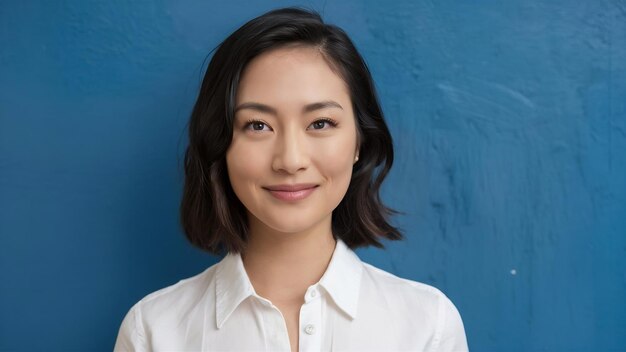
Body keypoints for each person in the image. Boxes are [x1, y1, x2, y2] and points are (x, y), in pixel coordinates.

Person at [114, 6, 468, 352]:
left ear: (359, 141)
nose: (290, 160)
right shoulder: (154, 331)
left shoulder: (427, 326)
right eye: (257, 125)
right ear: (220, 144)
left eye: (320, 123)